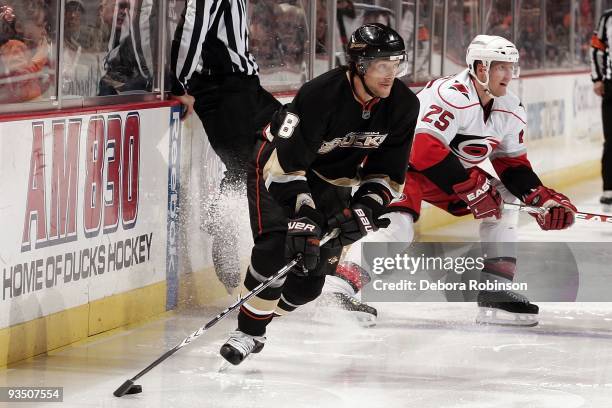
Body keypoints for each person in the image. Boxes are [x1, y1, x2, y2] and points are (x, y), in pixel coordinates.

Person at [322, 34, 577, 327]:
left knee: (504, 201)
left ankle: (494, 289)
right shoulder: (450, 94)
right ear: (481, 68)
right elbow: (422, 147)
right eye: (501, 67)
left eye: (511, 66)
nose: (509, 74)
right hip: (400, 166)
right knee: (399, 229)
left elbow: (512, 164)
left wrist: (540, 198)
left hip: (446, 174)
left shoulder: (510, 107)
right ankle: (339, 290)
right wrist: (470, 186)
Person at [219, 23, 419, 365]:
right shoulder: (319, 95)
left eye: (396, 64)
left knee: (306, 285)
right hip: (277, 165)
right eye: (382, 65)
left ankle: (259, 313)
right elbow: (286, 166)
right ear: (359, 65)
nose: (391, 74)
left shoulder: (403, 105)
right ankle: (248, 332)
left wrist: (366, 209)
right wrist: (304, 213)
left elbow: (386, 174)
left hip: (333, 182)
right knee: (277, 248)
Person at [170, 0, 281, 292]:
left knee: (284, 142)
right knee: (244, 164)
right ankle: (223, 224)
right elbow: (193, 28)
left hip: (245, 85)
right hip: (220, 88)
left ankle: (224, 220)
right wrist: (177, 84)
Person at [591, 7, 612, 212]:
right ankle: (609, 188)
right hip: (611, 84)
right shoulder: (608, 18)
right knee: (611, 139)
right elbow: (596, 47)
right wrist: (597, 78)